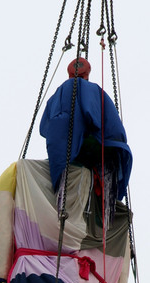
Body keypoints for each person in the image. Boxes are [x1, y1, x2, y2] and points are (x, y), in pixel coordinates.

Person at [39, 57, 133, 208]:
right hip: (95, 154)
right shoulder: (93, 91)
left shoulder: (59, 95)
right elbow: (98, 119)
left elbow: (48, 128)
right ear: (87, 74)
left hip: (69, 157)